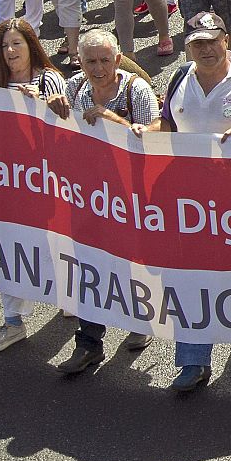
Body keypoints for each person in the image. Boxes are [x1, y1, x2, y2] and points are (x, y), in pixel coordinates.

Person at [130, 13, 231, 391]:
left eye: (212, 41)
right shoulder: (179, 78)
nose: (206, 49)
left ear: (226, 41)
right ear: (188, 47)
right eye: (198, 43)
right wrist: (140, 132)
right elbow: (167, 124)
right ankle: (192, 361)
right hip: (190, 199)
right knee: (189, 275)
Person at [48, 29, 158, 372]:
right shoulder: (74, 88)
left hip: (129, 196)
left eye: (104, 60)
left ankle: (140, 321)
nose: (98, 68)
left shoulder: (134, 89)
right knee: (86, 265)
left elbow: (154, 136)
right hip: (88, 195)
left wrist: (113, 119)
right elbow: (55, 134)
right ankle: (89, 343)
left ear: (118, 58)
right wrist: (52, 111)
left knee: (130, 261)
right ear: (79, 60)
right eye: (90, 61)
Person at [0, 19, 68, 352]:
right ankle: (12, 323)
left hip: (45, 183)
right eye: (4, 46)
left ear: (31, 45)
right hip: (6, 184)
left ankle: (68, 296)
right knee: (7, 249)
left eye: (17, 44)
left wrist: (40, 102)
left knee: (52, 245)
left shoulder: (49, 78)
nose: (10, 51)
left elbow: (65, 125)